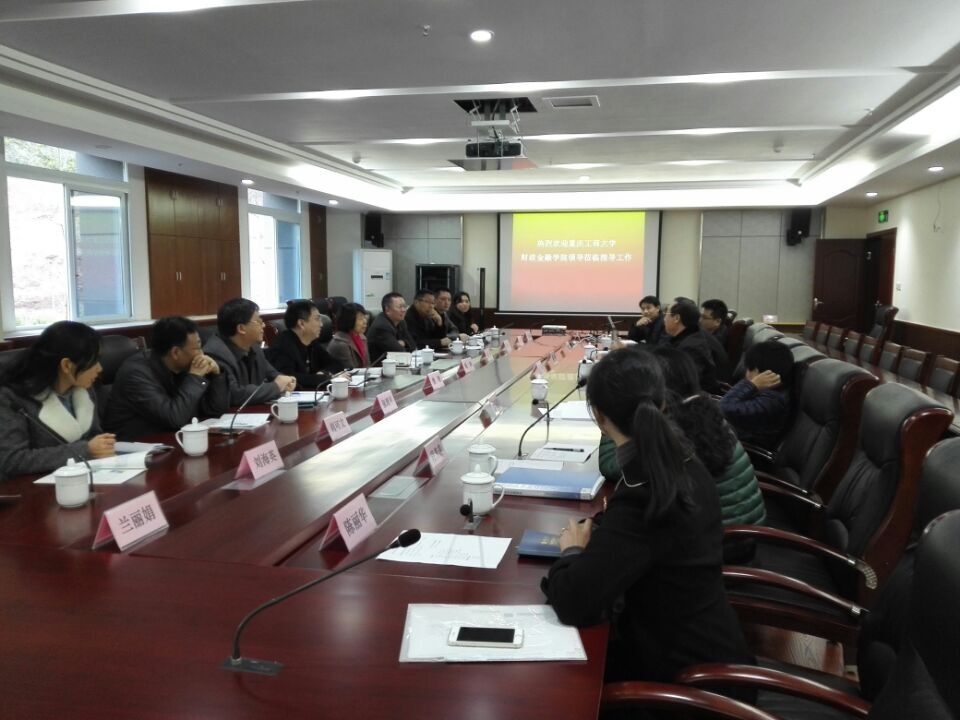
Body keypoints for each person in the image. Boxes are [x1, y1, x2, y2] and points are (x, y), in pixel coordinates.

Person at [542, 348, 754, 696]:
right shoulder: (681, 461)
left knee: (555, 689)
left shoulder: (647, 492)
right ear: (663, 403)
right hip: (709, 652)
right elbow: (641, 538)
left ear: (599, 417)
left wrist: (573, 551)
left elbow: (573, 602)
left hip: (686, 689)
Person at [0, 321, 116, 479]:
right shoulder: (12, 398)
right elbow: (11, 460)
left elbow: (94, 438)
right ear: (67, 365)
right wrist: (85, 450)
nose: (100, 368)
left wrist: (102, 446)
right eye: (94, 361)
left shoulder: (84, 388)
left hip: (85, 477)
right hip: (33, 487)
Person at [104, 316, 229, 439]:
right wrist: (195, 378)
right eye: (197, 348)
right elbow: (174, 418)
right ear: (175, 352)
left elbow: (216, 411)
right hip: (136, 445)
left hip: (173, 439)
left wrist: (216, 376)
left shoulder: (184, 367)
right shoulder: (136, 374)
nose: (201, 354)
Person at [203, 298, 296, 405]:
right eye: (259, 322)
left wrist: (286, 381)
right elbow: (233, 394)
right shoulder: (215, 354)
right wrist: (277, 387)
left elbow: (273, 374)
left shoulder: (253, 347)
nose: (263, 325)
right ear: (241, 328)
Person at [720, 339, 794, 450]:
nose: (746, 375)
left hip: (744, 450)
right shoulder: (772, 391)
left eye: (748, 369)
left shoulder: (771, 400)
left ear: (757, 371)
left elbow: (724, 408)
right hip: (732, 438)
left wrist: (751, 384)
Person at [265, 300, 344, 388]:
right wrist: (325, 378)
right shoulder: (283, 347)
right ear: (301, 323)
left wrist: (324, 373)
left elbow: (337, 365)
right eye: (317, 319)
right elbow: (287, 378)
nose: (321, 324)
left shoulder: (311, 342)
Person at [663, 298, 723, 393]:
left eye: (666, 314)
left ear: (676, 318)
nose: (664, 319)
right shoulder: (690, 336)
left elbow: (683, 384)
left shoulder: (692, 347)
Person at [366, 292, 418, 360]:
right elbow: (400, 352)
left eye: (404, 306)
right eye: (399, 307)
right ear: (387, 310)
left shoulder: (401, 322)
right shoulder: (382, 327)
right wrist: (404, 344)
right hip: (380, 365)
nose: (403, 310)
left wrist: (404, 343)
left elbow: (413, 346)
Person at [327, 303, 371, 368]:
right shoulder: (340, 344)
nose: (365, 322)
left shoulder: (362, 338)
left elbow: (367, 366)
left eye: (365, 317)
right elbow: (351, 371)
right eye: (360, 318)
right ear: (349, 320)